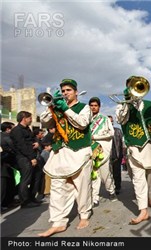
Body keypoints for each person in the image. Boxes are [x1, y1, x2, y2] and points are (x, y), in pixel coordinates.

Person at [38, 79, 93, 237]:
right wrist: (51, 106)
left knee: (81, 187)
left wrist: (66, 110)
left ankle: (84, 215)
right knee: (57, 188)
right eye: (62, 91)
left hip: (79, 152)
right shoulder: (57, 108)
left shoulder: (84, 108)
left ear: (76, 92)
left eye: (68, 90)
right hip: (59, 152)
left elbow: (82, 123)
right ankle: (58, 222)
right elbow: (44, 122)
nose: (65, 93)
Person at [116, 75, 151, 225]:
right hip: (135, 146)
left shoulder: (150, 104)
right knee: (138, 179)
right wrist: (126, 101)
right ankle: (143, 210)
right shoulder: (122, 105)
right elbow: (120, 119)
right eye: (130, 87)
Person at [89, 97, 117, 207]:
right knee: (94, 175)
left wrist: (95, 137)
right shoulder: (86, 119)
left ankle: (111, 191)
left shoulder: (104, 119)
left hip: (103, 151)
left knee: (106, 175)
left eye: (95, 105)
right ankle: (95, 197)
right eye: (91, 105)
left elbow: (111, 133)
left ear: (99, 107)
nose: (93, 107)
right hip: (90, 151)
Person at [10, 111, 41, 208]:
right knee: (26, 179)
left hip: (32, 156)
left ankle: (32, 198)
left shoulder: (28, 129)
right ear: (24, 118)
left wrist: (36, 143)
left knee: (36, 177)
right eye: (30, 118)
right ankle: (25, 201)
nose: (31, 120)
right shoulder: (16, 130)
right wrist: (31, 158)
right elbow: (22, 146)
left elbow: (33, 139)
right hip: (23, 158)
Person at [108, 115, 125, 195]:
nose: (110, 123)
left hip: (117, 155)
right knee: (108, 174)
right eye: (108, 121)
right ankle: (111, 188)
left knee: (117, 173)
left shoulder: (118, 131)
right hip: (107, 155)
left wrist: (123, 154)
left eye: (111, 121)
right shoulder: (104, 131)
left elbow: (122, 143)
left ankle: (117, 187)